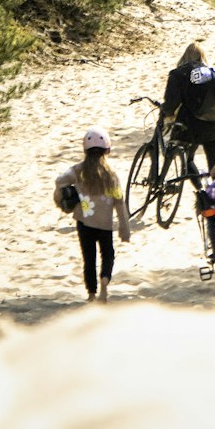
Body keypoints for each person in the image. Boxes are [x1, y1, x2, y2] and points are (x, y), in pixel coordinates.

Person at [54, 127, 130, 303]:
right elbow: (119, 202)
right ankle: (104, 281)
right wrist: (124, 228)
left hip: (84, 222)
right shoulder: (110, 175)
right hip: (105, 224)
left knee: (89, 258)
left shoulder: (78, 171)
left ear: (85, 150)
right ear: (107, 150)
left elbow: (60, 180)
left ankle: (91, 294)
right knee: (107, 254)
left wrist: (61, 198)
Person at [161, 42, 215, 182]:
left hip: (189, 126)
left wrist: (166, 112)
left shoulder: (178, 74)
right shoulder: (214, 75)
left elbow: (171, 104)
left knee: (187, 160)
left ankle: (200, 193)